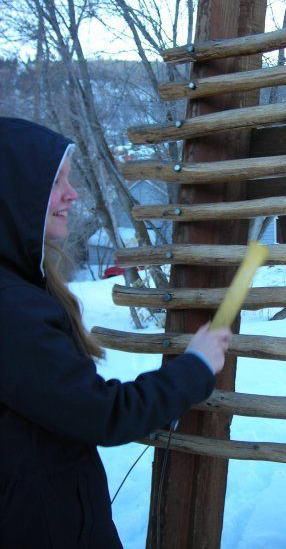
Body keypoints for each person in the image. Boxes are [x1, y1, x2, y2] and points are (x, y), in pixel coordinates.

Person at [0, 117, 232, 548]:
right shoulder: (10, 309)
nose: (72, 194)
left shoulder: (18, 292)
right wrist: (196, 367)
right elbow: (102, 415)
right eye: (55, 182)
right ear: (11, 192)